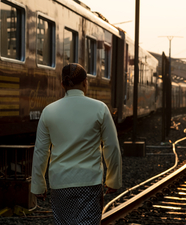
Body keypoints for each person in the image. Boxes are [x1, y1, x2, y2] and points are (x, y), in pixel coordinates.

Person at [31, 63, 122, 224]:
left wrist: (38, 185)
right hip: (89, 182)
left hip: (60, 183)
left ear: (62, 84)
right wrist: (113, 180)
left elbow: (41, 151)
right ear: (85, 82)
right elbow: (112, 147)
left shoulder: (49, 111)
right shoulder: (99, 108)